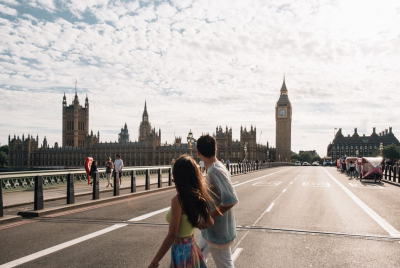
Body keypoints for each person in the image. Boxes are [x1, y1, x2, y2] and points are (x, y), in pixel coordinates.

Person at [148, 155, 216, 268]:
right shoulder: (198, 196)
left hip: (181, 252)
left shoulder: (178, 200)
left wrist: (154, 262)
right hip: (192, 248)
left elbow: (172, 235)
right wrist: (198, 222)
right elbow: (210, 222)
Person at [196, 135, 239, 268]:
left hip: (218, 231)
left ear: (198, 153)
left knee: (225, 265)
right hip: (211, 229)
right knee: (196, 259)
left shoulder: (215, 170)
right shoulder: (216, 167)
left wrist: (209, 215)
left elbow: (231, 199)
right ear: (216, 149)